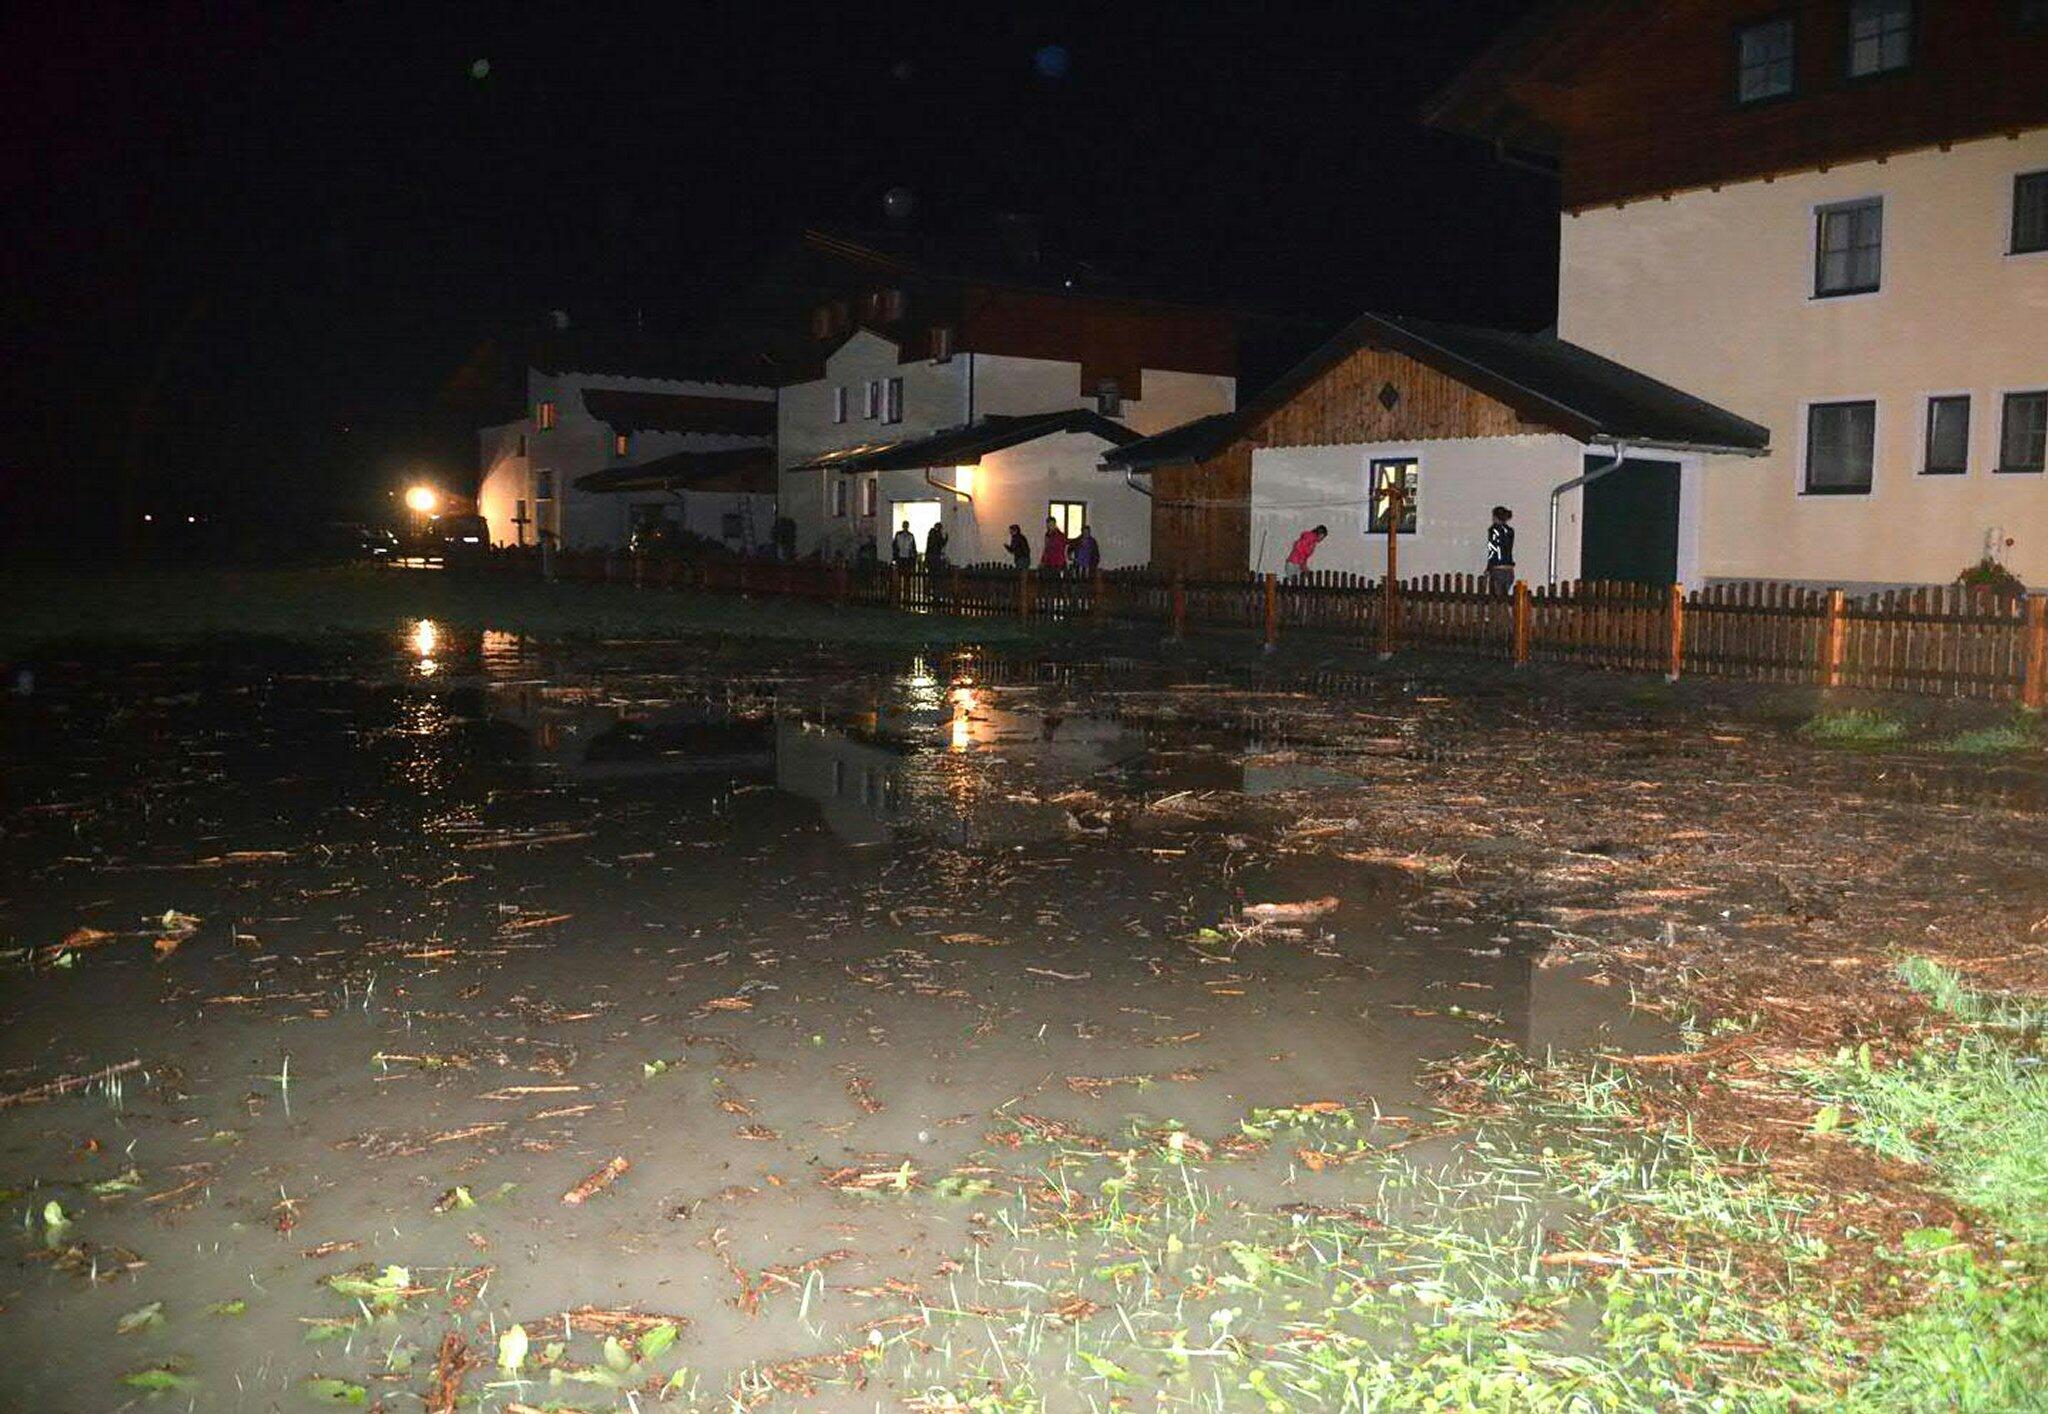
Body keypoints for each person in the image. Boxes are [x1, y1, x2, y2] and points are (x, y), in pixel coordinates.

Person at [1485, 505, 1516, 595]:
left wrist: (1488, 568)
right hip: (1509, 569)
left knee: (1495, 599)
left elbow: (1493, 550)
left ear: (1495, 517)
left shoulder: (1493, 530)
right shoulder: (1510, 531)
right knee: (1504, 597)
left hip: (1497, 568)